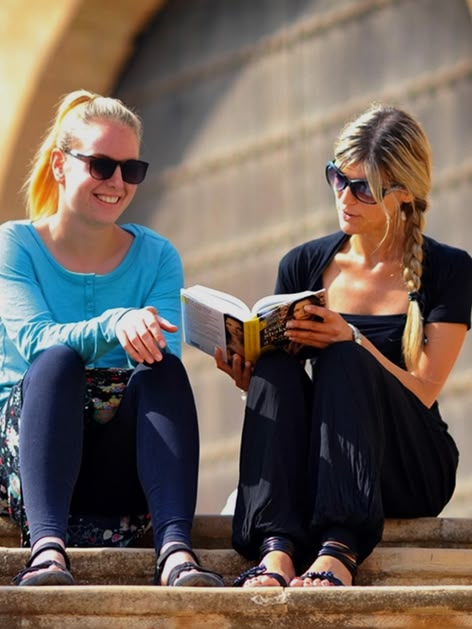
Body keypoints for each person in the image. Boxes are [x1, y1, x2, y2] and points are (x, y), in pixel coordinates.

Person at [215, 103, 472, 588]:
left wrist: (353, 339)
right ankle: (276, 548)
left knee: (342, 355)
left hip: (408, 466)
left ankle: (339, 547)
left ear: (403, 195)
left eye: (363, 189)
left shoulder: (450, 270)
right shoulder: (303, 264)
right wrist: (249, 374)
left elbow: (424, 391)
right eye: (337, 178)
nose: (344, 197)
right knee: (277, 370)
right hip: (323, 466)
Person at [0, 89, 224, 588]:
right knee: (57, 361)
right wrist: (114, 323)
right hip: (32, 469)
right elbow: (35, 340)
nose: (118, 183)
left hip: (121, 479)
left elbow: (154, 350)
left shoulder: (159, 256)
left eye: (132, 169)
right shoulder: (14, 244)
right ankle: (47, 551)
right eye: (101, 165)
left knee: (163, 368)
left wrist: (134, 335)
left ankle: (175, 552)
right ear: (60, 166)